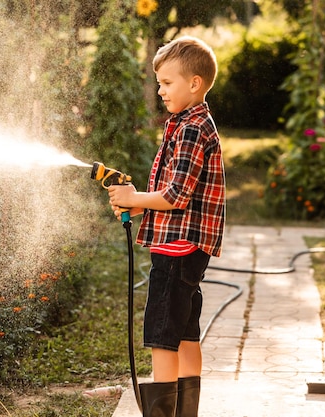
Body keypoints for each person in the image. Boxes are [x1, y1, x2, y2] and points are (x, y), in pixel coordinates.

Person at [108, 36, 225, 417]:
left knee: (163, 334)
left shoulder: (191, 128)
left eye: (167, 83)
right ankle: (186, 412)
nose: (160, 91)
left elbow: (176, 195)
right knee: (186, 329)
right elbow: (177, 191)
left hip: (177, 249)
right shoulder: (188, 122)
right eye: (158, 83)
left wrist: (133, 199)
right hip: (188, 247)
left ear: (194, 83)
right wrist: (140, 203)